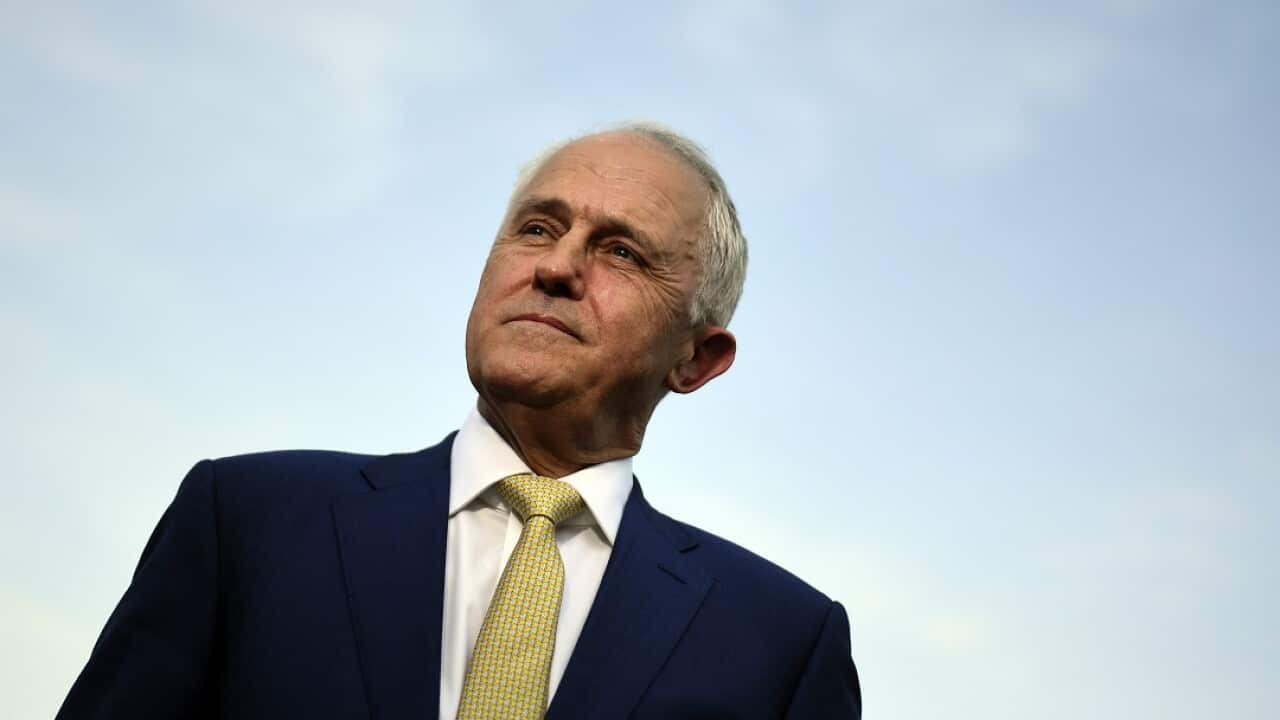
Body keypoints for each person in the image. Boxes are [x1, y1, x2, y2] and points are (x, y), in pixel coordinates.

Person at [57, 122, 861, 719]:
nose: (553, 267)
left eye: (620, 252)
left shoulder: (782, 643)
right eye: (538, 228)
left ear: (697, 359)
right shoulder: (249, 518)